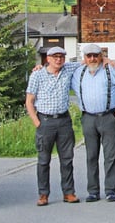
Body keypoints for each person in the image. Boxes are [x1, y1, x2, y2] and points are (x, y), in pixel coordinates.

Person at [71, 43, 115, 203]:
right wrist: (40, 67)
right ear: (84, 58)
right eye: (89, 56)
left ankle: (110, 190)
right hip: (88, 118)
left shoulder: (111, 69)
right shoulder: (77, 72)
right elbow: (57, 66)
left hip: (109, 117)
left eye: (96, 55)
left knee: (110, 155)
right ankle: (93, 191)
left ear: (101, 55)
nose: (93, 58)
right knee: (91, 156)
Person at [25, 46, 81, 207]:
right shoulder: (38, 74)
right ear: (47, 59)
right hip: (45, 121)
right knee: (43, 160)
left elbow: (87, 61)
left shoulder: (68, 69)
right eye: (55, 57)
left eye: (62, 56)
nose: (59, 59)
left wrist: (106, 59)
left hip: (64, 120)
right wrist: (36, 122)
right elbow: (29, 101)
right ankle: (43, 195)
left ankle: (69, 192)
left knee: (67, 159)